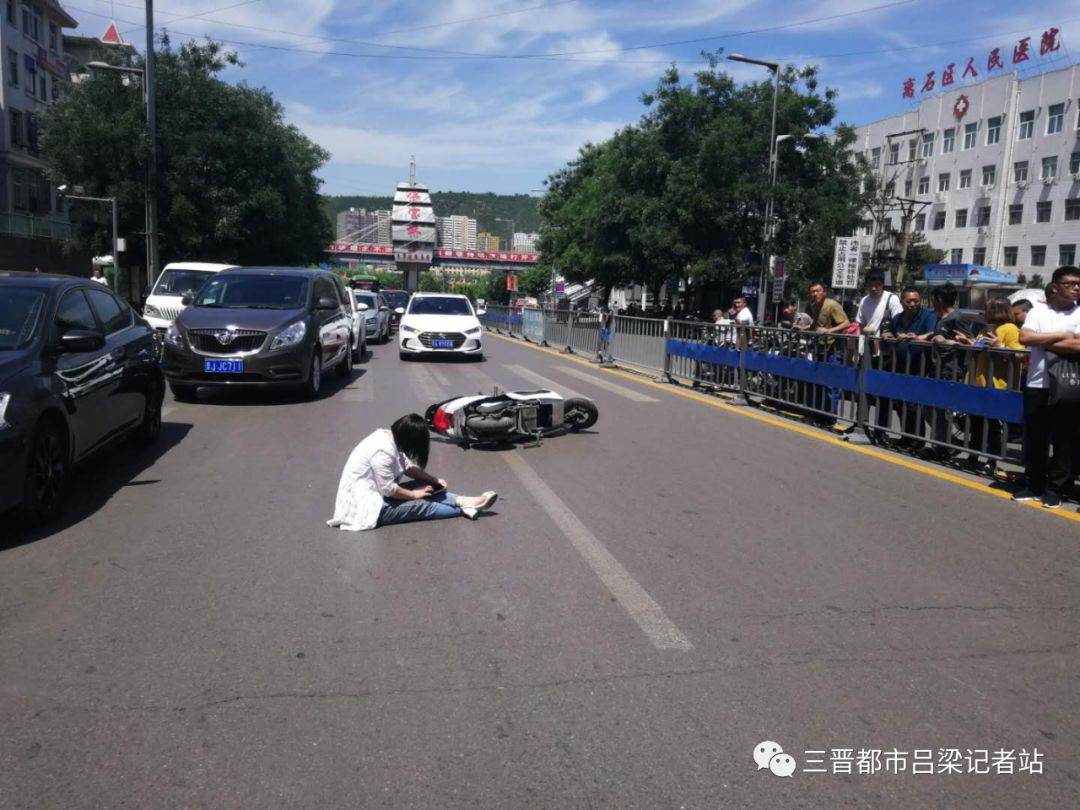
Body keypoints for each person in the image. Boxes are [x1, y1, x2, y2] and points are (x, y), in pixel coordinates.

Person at [328, 413, 498, 531]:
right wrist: (415, 494)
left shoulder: (391, 437)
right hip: (366, 506)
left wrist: (433, 480)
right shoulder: (382, 451)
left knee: (427, 487)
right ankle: (464, 509)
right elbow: (388, 489)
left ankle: (465, 500)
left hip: (377, 494)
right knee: (423, 505)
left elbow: (408, 466)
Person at [1014, 266, 1080, 508]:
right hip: (1037, 383)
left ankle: (1056, 488)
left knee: (1064, 439)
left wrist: (1046, 341)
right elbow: (1025, 338)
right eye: (1070, 283)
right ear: (1055, 287)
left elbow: (1079, 347)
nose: (1076, 288)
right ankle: (1034, 485)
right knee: (1036, 437)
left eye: (1078, 284)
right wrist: (1063, 336)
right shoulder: (1038, 311)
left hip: (1068, 385)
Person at [953, 298, 1025, 476]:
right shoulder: (986, 329)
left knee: (993, 426)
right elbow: (979, 346)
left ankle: (991, 461)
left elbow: (1021, 355)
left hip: (999, 386)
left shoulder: (1010, 329)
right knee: (975, 424)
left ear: (999, 311)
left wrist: (1000, 346)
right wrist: (968, 342)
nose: (985, 313)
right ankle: (973, 457)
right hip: (979, 384)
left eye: (988, 310)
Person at [877, 287, 938, 444]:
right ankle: (906, 436)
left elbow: (933, 333)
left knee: (913, 405)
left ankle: (917, 440)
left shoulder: (928, 316)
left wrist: (917, 337)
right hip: (900, 367)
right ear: (902, 302)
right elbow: (887, 331)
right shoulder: (897, 318)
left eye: (915, 301)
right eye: (909, 301)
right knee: (900, 403)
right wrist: (887, 334)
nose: (912, 304)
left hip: (920, 367)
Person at [853, 270, 902, 336]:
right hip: (868, 342)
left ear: (882, 284)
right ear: (866, 285)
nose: (873, 288)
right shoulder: (864, 300)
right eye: (870, 285)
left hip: (885, 342)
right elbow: (861, 324)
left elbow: (899, 322)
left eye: (877, 284)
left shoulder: (892, 299)